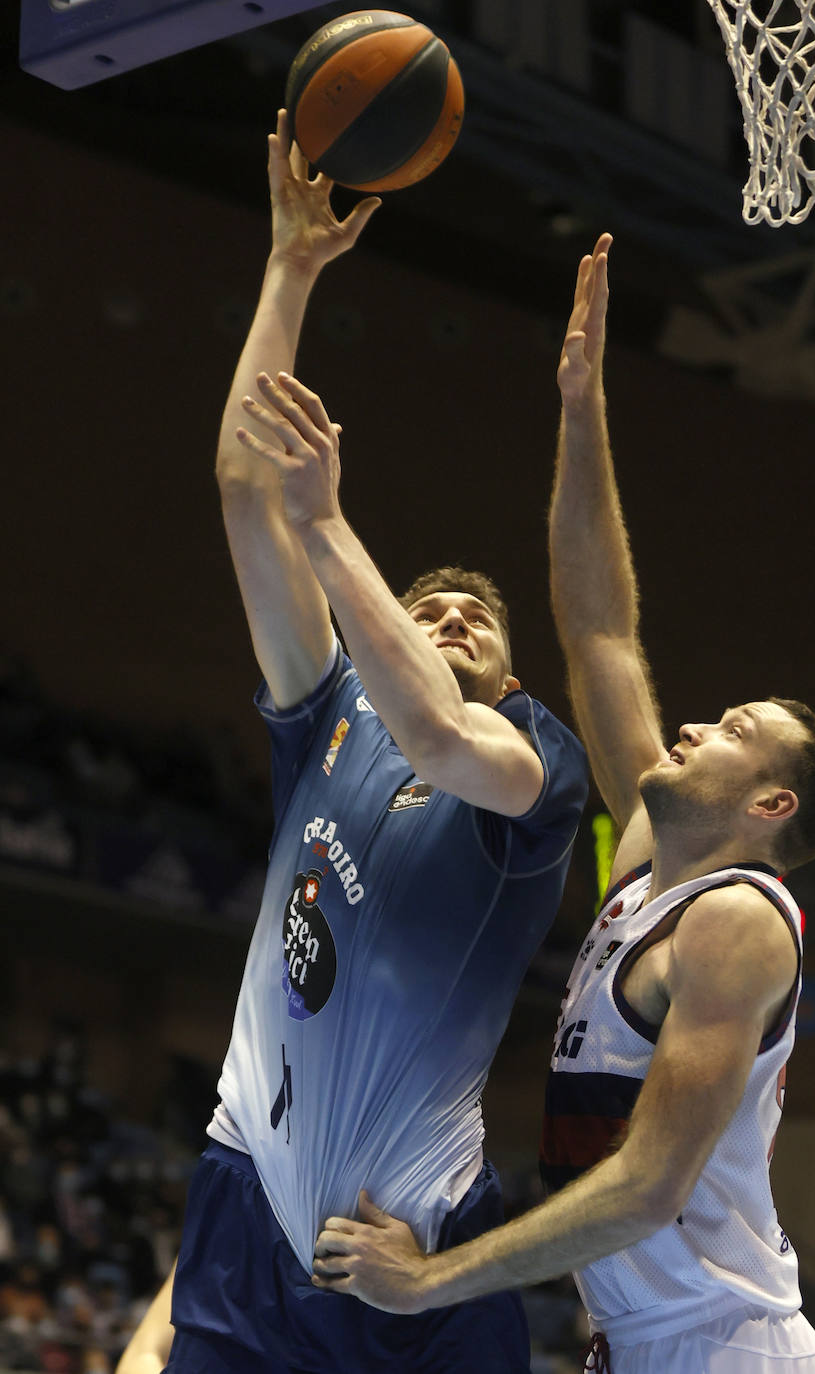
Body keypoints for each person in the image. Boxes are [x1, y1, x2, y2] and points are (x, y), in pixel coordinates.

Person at [309, 234, 815, 1373]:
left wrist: (428, 1284)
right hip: (647, 1344)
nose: (699, 724)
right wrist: (579, 405)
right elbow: (599, 625)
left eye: (736, 732)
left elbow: (650, 1185)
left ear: (765, 804)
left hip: (719, 1347)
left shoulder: (735, 923)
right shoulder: (649, 871)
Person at [153, 111, 589, 1374]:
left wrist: (334, 527)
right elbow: (246, 492)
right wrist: (292, 269)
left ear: (510, 671)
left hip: (407, 1247)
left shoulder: (533, 772)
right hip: (245, 1203)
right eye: (428, 607)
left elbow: (441, 736)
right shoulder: (328, 717)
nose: (447, 617)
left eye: (474, 617)